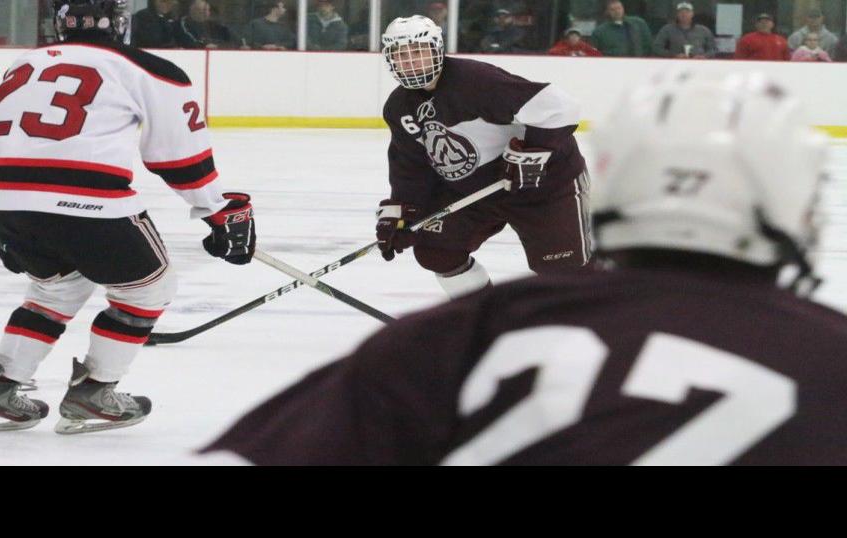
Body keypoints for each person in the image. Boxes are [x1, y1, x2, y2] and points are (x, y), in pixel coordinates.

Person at [198, 71, 842, 465]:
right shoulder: (831, 356)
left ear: (613, 178)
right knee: (441, 246)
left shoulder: (456, 340)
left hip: (516, 224)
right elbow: (410, 165)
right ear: (796, 199)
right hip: (488, 198)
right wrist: (404, 209)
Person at [0, 0, 257, 434]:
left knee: (56, 288)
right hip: (86, 200)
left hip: (3, 197)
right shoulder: (148, 68)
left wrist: (15, 212)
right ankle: (95, 392)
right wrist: (218, 210)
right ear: (121, 25)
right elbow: (178, 156)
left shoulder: (26, 61)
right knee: (150, 288)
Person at [372, 15, 590, 299]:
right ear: (390, 60)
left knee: (565, 271)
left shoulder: (476, 81)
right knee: (436, 251)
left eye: (418, 51)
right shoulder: (399, 108)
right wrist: (403, 212)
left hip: (544, 186)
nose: (411, 61)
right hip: (476, 193)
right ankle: (481, 316)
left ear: (437, 49)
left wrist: (533, 152)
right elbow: (412, 169)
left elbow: (559, 108)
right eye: (401, 54)